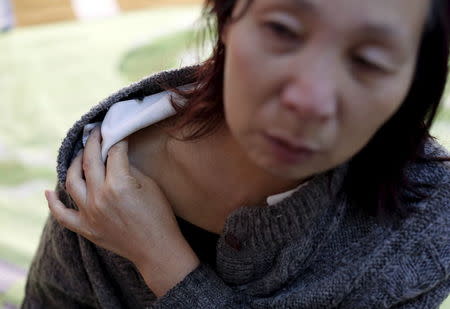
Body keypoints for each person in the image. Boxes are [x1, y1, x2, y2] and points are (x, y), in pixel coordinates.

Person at [22, 0, 450, 307]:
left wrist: (165, 264)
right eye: (283, 29)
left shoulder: (429, 221)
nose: (309, 99)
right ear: (226, 17)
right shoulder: (105, 167)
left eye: (370, 60)